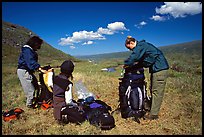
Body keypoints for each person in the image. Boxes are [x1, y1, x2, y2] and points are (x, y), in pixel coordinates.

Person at [124, 36, 169, 120]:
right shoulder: (144, 47)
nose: (131, 50)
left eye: (129, 48)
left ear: (131, 43)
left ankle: (153, 115)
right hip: (157, 70)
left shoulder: (141, 46)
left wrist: (126, 63)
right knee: (153, 90)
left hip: (160, 70)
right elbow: (145, 62)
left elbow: (135, 56)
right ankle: (149, 108)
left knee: (157, 92)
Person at [17, 36, 45, 108]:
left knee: (36, 86)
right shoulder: (27, 50)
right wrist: (39, 68)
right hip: (24, 71)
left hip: (28, 71)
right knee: (30, 90)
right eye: (38, 44)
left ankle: (35, 100)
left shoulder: (30, 50)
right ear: (34, 43)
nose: (39, 46)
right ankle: (29, 106)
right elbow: (30, 62)